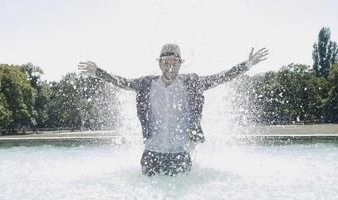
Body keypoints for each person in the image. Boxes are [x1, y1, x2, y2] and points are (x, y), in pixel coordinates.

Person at [78, 44, 268, 176]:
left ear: (180, 63)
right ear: (159, 63)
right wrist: (98, 72)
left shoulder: (192, 83)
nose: (170, 66)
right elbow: (122, 82)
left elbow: (221, 77)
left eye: (174, 62)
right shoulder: (147, 84)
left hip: (180, 154)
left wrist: (247, 65)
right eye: (166, 62)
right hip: (152, 153)